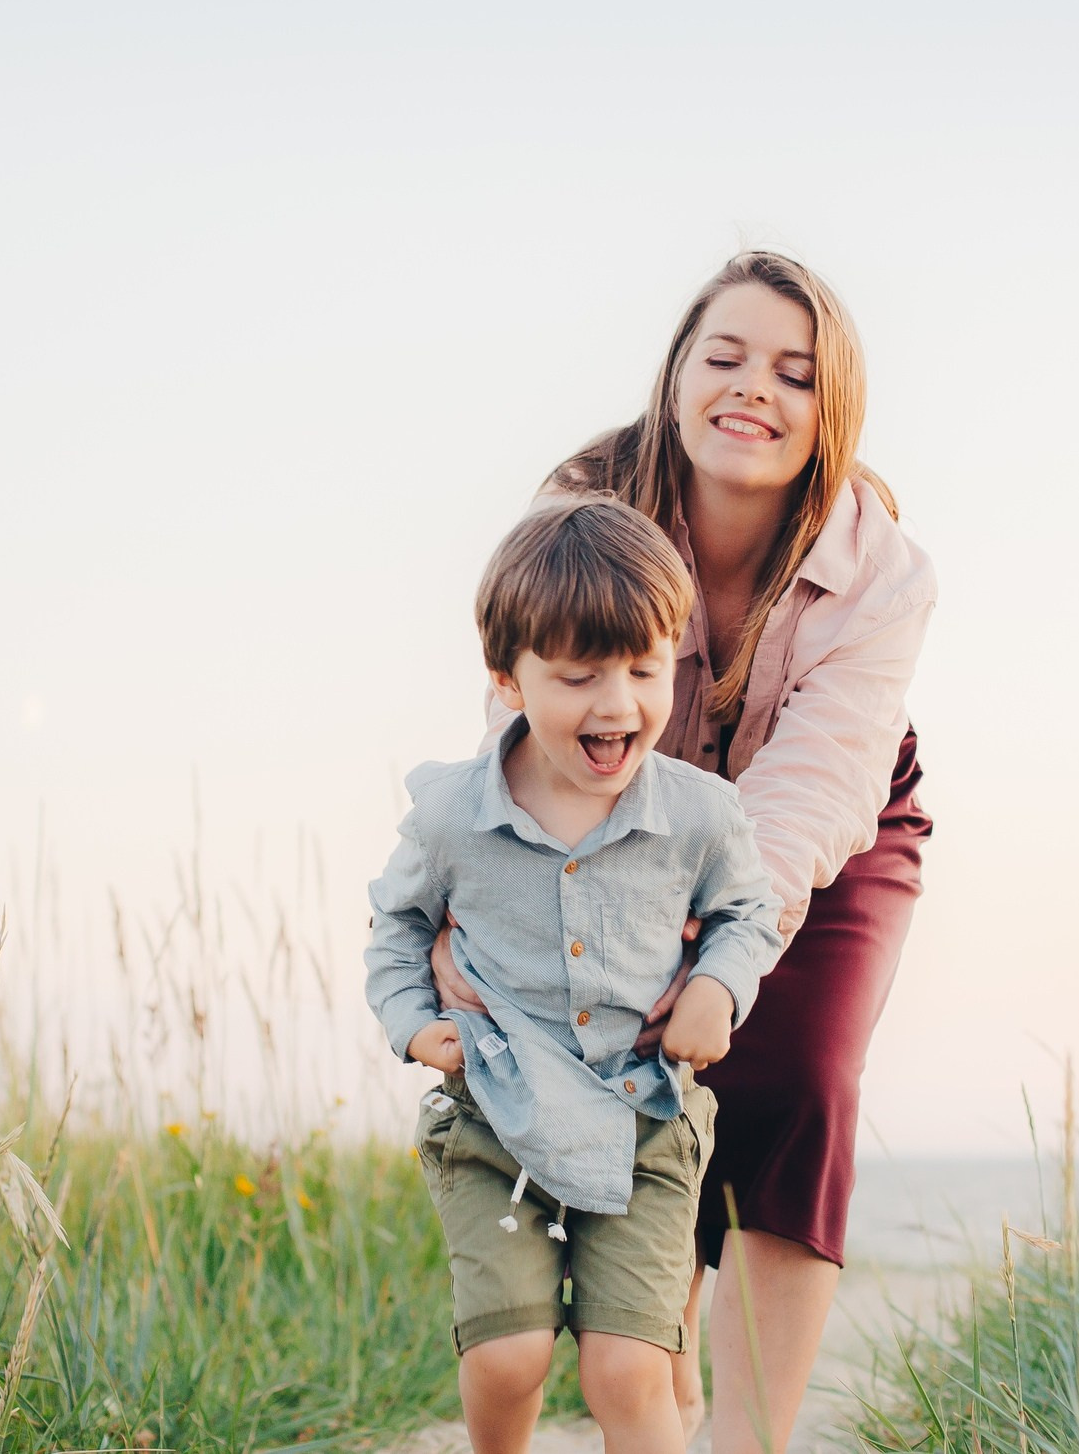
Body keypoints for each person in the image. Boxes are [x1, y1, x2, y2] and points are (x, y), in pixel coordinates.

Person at [435, 251, 936, 1453]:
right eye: (723, 357)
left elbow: (812, 786)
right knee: (644, 1062)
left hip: (826, 826)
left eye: (793, 373)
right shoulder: (579, 505)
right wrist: (484, 908)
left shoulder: (883, 572)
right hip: (606, 805)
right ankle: (660, 1374)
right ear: (675, 375)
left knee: (795, 1078)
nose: (750, 388)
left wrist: (701, 936)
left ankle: (746, 1441)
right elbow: (524, 717)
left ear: (832, 410)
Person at [366, 494, 788, 1454]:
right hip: (496, 1120)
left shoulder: (701, 815)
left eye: (643, 669)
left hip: (643, 1123)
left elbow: (746, 913)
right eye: (577, 675)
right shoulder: (450, 817)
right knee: (509, 1355)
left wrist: (719, 987)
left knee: (626, 1370)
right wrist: (412, 1022)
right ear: (508, 680)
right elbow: (396, 926)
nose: (617, 703)